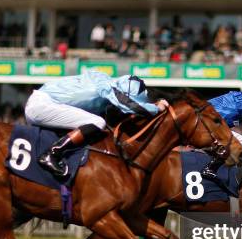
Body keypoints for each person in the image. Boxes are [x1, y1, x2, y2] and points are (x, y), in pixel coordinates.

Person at [25, 70, 168, 177]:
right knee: (98, 122)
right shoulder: (107, 87)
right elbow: (130, 106)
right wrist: (156, 108)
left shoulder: (107, 83)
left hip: (44, 103)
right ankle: (51, 154)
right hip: (41, 106)